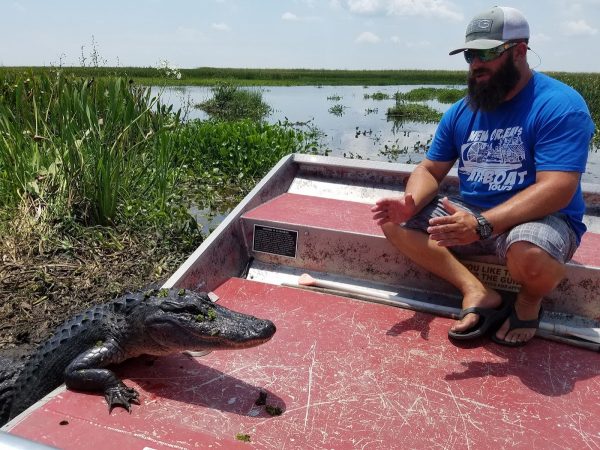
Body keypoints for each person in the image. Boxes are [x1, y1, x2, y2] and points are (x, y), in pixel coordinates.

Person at [371, 6, 595, 346]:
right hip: (472, 212)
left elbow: (558, 188)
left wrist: (482, 224)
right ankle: (475, 290)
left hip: (538, 217)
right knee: (392, 221)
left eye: (487, 53)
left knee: (530, 255)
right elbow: (431, 168)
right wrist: (410, 202)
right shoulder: (462, 110)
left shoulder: (560, 104)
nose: (476, 64)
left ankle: (528, 300)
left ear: (520, 51)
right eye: (470, 55)